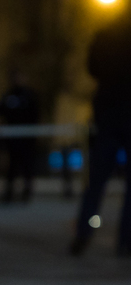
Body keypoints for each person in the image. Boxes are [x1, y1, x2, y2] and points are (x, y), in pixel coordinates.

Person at [71, 8, 131, 257]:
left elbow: (92, 68)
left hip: (107, 114)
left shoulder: (104, 35)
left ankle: (83, 234)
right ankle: (126, 240)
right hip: (126, 114)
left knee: (96, 181)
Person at [0, 70, 40, 203]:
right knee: (11, 167)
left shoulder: (30, 95)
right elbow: (0, 112)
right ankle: (9, 193)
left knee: (27, 167)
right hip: (12, 140)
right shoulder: (8, 95)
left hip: (27, 139)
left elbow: (36, 115)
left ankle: (26, 193)